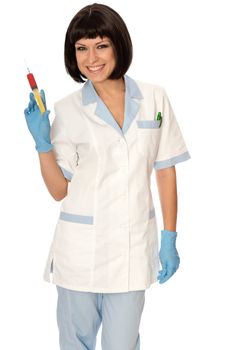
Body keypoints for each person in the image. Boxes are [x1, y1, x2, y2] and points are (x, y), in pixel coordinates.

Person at [24, 3, 190, 350]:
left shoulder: (154, 98)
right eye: (81, 48)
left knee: (123, 344)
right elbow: (58, 190)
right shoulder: (69, 109)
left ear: (118, 45)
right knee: (76, 343)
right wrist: (42, 143)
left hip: (132, 249)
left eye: (101, 45)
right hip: (79, 253)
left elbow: (166, 170)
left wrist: (170, 236)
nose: (90, 58)